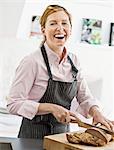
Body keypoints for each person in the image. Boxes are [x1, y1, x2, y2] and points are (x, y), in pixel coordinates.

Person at [7, 4, 114, 139]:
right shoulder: (32, 62)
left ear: (70, 29)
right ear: (43, 30)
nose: (60, 28)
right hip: (33, 136)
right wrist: (51, 108)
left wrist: (96, 112)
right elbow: (13, 103)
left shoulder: (74, 61)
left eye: (64, 23)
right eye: (53, 23)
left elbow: (84, 96)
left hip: (62, 137)